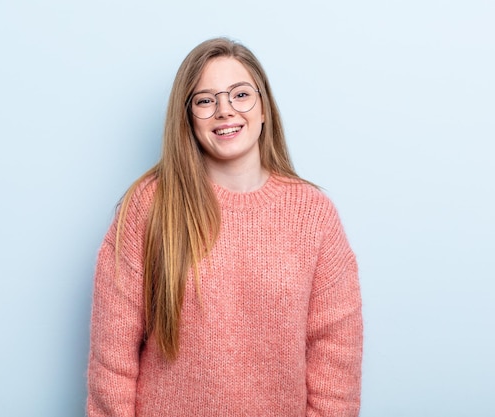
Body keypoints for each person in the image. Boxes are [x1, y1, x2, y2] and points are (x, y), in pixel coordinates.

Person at [86, 37, 363, 417]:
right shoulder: (149, 206)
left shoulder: (314, 214)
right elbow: (111, 358)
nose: (224, 110)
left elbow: (336, 355)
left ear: (264, 108)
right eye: (205, 100)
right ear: (187, 117)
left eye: (240, 94)